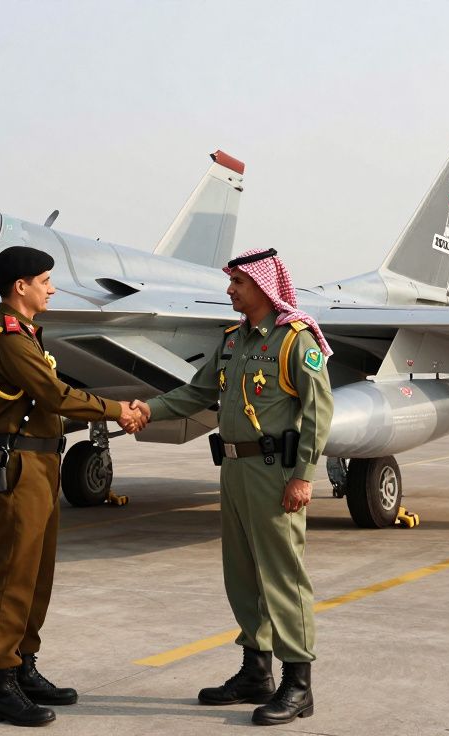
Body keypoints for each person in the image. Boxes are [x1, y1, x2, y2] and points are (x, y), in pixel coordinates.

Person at [133, 248, 333, 726]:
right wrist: (147, 410)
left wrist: (304, 475)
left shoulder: (294, 340)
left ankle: (299, 684)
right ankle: (254, 672)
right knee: (242, 574)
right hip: (236, 470)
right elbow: (197, 393)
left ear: (263, 287)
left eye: (238, 283)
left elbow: (318, 411)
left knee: (283, 577)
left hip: (276, 474)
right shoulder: (231, 342)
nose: (230, 290)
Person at [0, 245, 145, 727]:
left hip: (42, 462)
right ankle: (0, 685)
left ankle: (24, 667)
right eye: (45, 280)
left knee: (37, 573)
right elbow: (54, 394)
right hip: (20, 464)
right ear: (20, 286)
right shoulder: (8, 339)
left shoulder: (26, 334)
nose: (52, 288)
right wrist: (118, 411)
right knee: (14, 574)